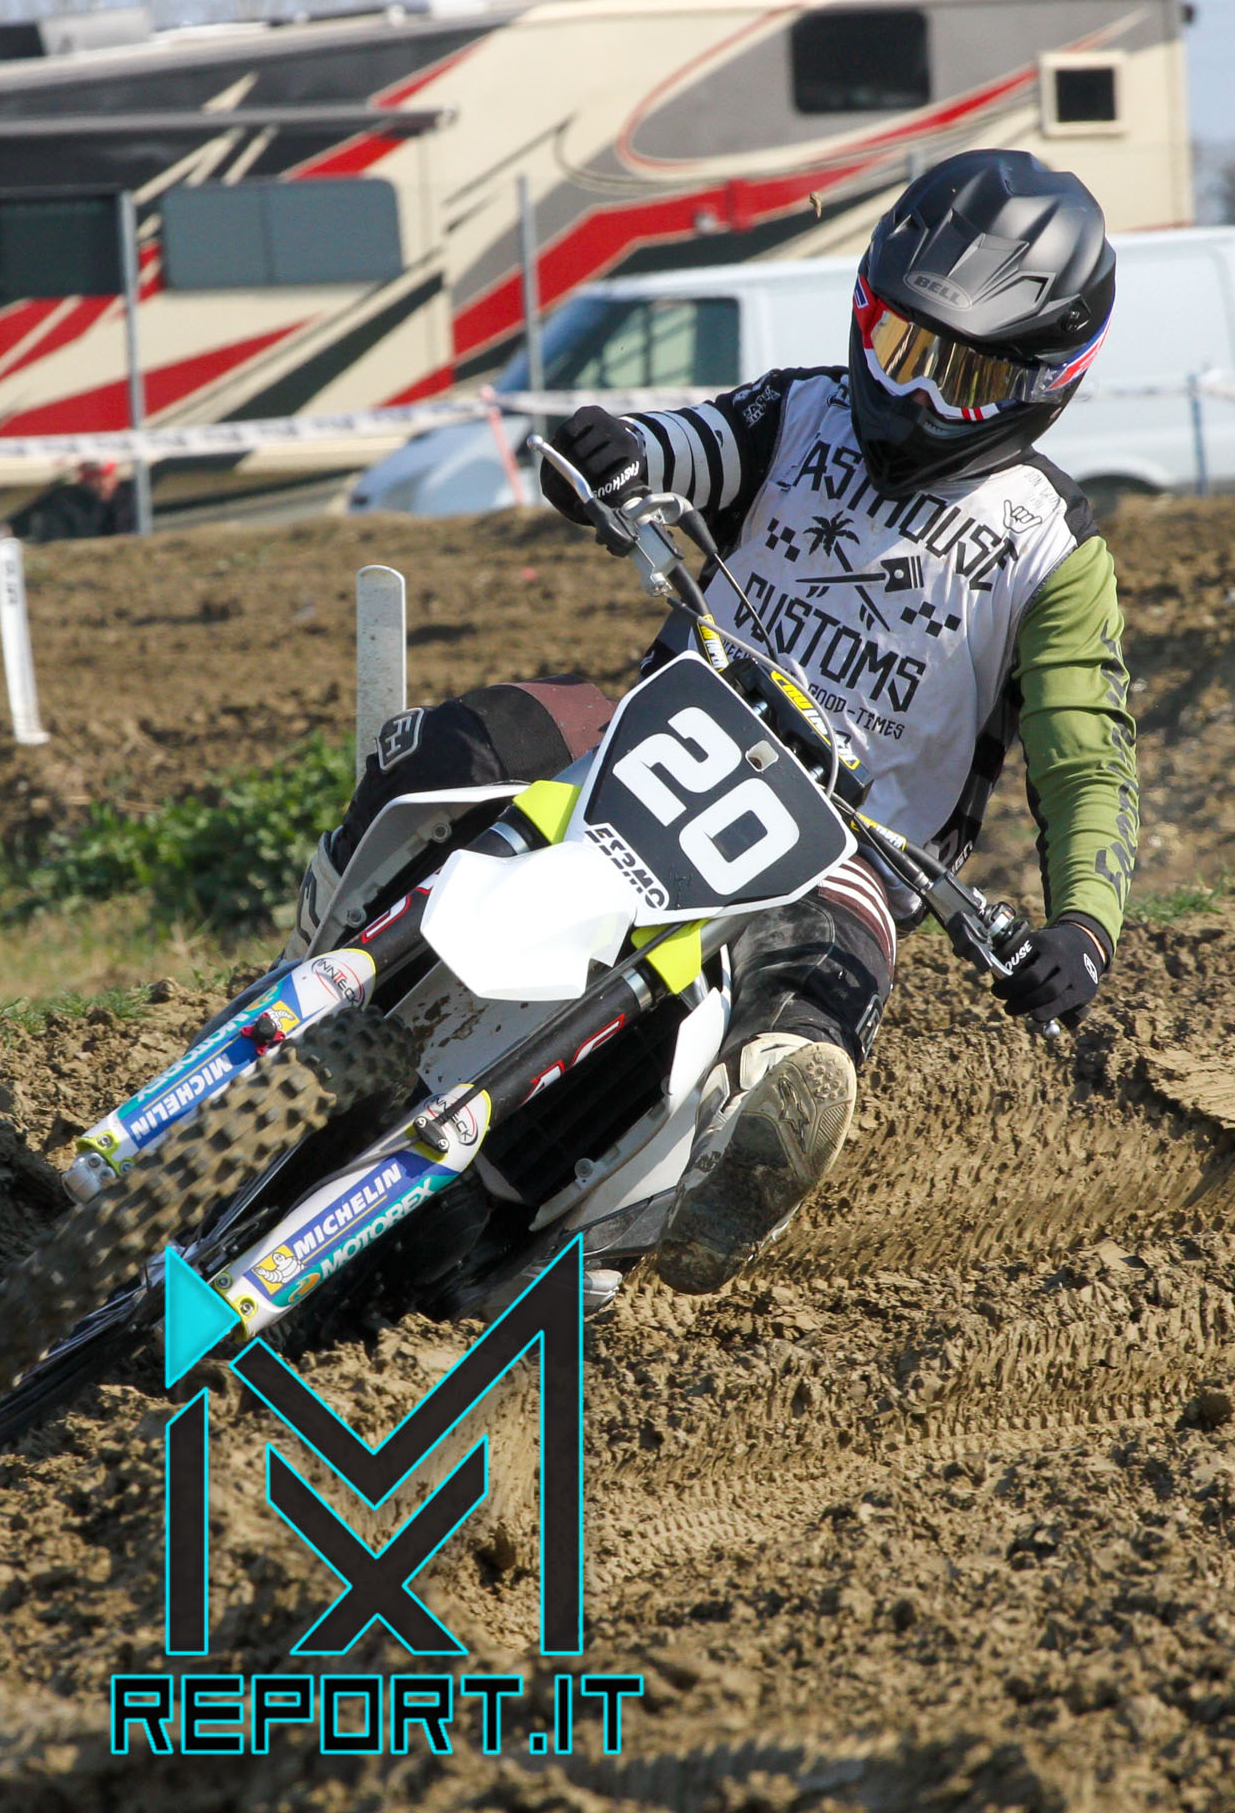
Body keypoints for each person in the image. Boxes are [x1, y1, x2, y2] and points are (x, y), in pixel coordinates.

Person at [292, 148, 1142, 1294]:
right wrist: (613, 449)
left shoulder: (1053, 549)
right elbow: (678, 446)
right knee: (453, 748)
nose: (912, 396)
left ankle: (632, 1222)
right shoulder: (799, 410)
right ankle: (305, 985)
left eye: (961, 378)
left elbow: (1089, 762)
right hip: (652, 743)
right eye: (900, 346)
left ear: (1044, 381)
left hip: (844, 858)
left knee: (797, 1055)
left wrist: (1083, 928)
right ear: (863, 314)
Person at [14, 458, 138, 545]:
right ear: (83, 480)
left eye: (107, 477)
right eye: (96, 479)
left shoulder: (130, 498)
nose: (103, 484)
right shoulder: (63, 501)